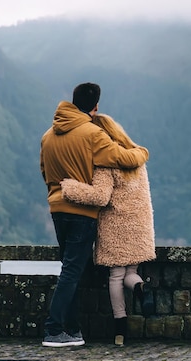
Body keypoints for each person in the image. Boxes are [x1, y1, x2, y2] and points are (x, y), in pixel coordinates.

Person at [40, 82, 149, 347]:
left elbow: (45, 171)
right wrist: (142, 152)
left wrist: (57, 192)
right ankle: (54, 330)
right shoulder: (92, 134)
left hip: (57, 208)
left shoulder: (48, 136)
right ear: (95, 106)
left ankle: (72, 329)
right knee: (71, 272)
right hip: (82, 212)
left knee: (71, 270)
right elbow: (122, 158)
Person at [60, 113, 156, 347]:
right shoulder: (136, 159)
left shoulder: (106, 163)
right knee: (130, 273)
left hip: (116, 227)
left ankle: (120, 332)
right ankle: (140, 287)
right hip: (141, 227)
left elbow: (100, 197)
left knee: (115, 277)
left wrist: (70, 187)